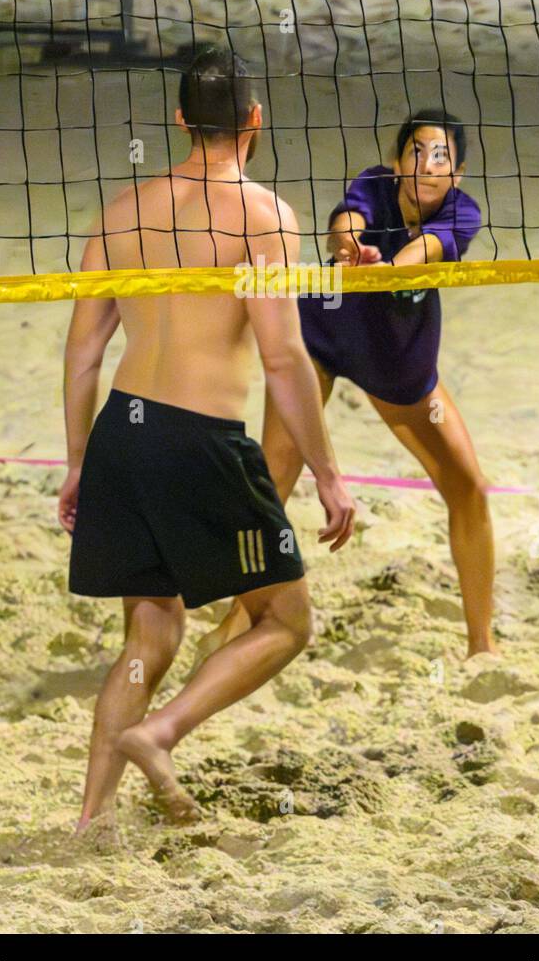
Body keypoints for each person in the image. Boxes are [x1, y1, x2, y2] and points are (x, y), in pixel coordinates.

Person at [57, 46, 355, 830]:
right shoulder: (265, 217)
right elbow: (285, 355)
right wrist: (327, 473)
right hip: (201, 441)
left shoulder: (120, 213)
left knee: (149, 629)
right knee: (285, 620)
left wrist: (79, 461)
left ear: (182, 119)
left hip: (124, 433)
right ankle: (160, 733)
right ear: (255, 120)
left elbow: (84, 352)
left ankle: (92, 816)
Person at [209, 108, 496, 661]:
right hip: (320, 337)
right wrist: (351, 251)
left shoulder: (463, 214)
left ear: (456, 174)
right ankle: (236, 618)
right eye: (417, 152)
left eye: (441, 157)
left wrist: (386, 268)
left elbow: (425, 251)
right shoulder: (374, 183)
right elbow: (345, 223)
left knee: (470, 489)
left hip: (398, 365)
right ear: (397, 162)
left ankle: (481, 646)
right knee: (273, 479)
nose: (427, 165)